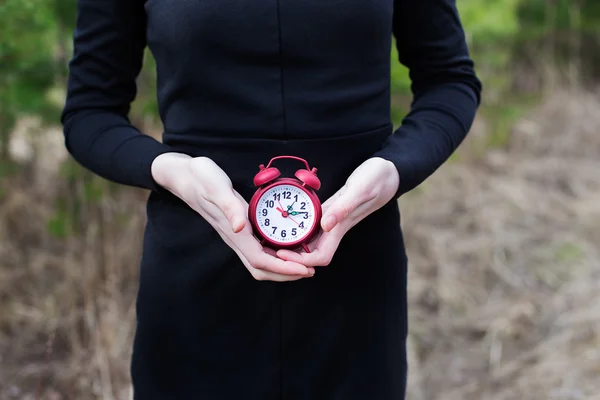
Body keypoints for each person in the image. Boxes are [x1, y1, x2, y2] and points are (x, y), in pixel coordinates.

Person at [61, 0, 481, 398]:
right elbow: (90, 112)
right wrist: (173, 171)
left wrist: (394, 168)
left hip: (356, 281)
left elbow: (449, 80)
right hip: (195, 284)